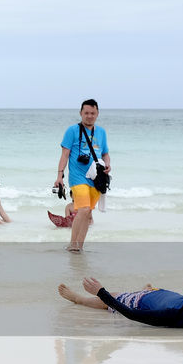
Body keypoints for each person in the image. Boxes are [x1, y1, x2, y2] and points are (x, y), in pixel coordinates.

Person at [58, 268, 183, 328]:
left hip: (140, 301)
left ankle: (78, 299)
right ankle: (147, 289)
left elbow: (131, 314)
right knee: (150, 290)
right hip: (161, 295)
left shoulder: (172, 316)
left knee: (112, 298)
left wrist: (100, 292)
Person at [55, 99, 112, 253]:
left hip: (96, 179)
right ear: (81, 113)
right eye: (86, 113)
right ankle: (72, 244)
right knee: (84, 209)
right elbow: (65, 155)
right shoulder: (72, 131)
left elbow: (105, 153)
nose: (89, 116)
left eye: (92, 113)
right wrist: (59, 176)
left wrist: (107, 164)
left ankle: (80, 246)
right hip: (77, 177)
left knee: (87, 213)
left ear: (97, 114)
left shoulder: (101, 132)